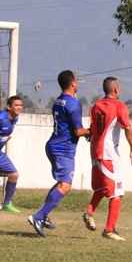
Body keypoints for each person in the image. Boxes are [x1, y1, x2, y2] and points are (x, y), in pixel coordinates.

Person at [28, 70, 90, 236]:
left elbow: (71, 128)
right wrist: (91, 132)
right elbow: (78, 131)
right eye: (76, 81)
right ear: (73, 83)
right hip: (63, 149)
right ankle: (38, 217)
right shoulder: (73, 103)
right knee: (65, 185)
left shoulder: (58, 101)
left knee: (61, 183)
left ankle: (44, 215)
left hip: (54, 145)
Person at [83, 77, 132, 241]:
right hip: (108, 154)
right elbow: (127, 127)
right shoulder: (119, 106)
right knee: (117, 192)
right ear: (116, 89)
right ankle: (109, 230)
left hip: (95, 151)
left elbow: (92, 130)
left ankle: (89, 212)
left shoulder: (96, 106)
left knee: (102, 187)